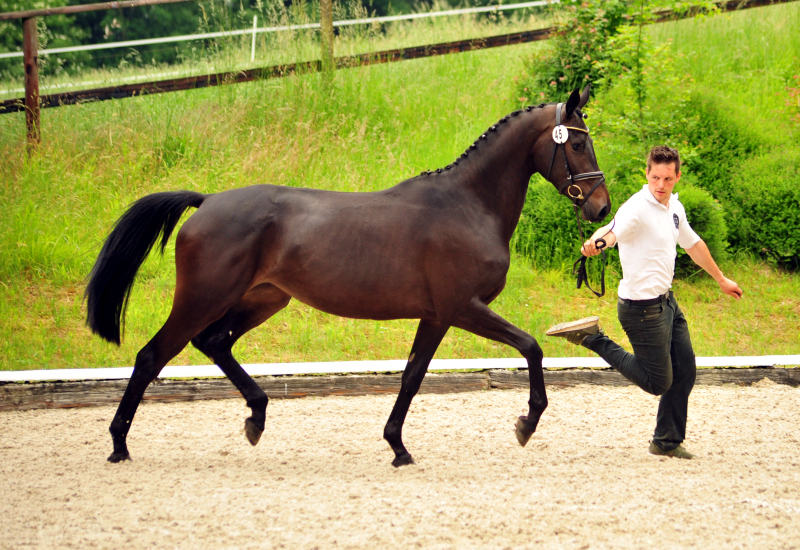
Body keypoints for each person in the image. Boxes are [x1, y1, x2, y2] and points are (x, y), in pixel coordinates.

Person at [546, 146, 743, 459]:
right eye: (655, 177)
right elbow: (612, 231)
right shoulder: (636, 208)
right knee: (657, 382)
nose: (660, 184)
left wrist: (721, 279)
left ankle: (666, 442)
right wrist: (597, 243)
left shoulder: (674, 208)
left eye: (667, 178)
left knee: (685, 370)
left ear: (677, 176)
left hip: (667, 304)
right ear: (647, 175)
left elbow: (693, 244)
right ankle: (592, 338)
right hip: (641, 310)